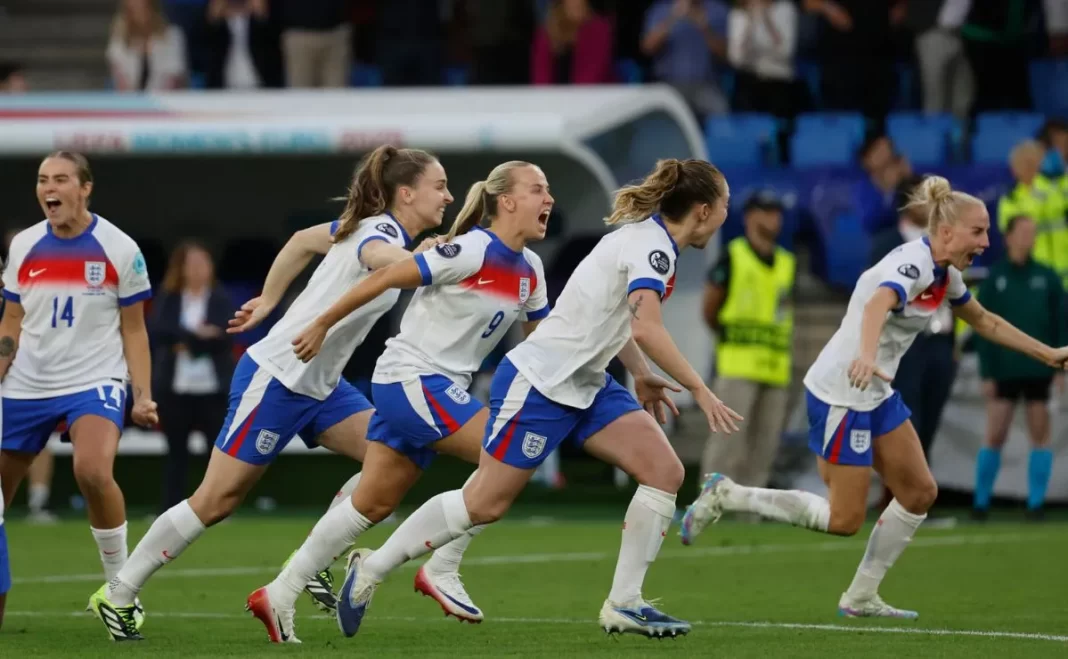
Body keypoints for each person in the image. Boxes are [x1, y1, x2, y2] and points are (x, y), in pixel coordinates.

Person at [334, 158, 742, 641]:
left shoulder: (646, 241)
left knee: (665, 472)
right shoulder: (652, 248)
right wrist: (698, 386)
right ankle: (373, 569)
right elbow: (645, 325)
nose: (725, 215)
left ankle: (625, 604)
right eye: (724, 206)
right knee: (484, 503)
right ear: (701, 210)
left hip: (589, 384)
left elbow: (614, 316)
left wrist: (641, 373)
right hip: (541, 385)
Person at [86, 145, 454, 641]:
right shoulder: (380, 232)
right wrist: (417, 258)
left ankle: (310, 563)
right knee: (216, 500)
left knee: (389, 464)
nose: (448, 196)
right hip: (278, 377)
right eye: (440, 186)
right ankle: (119, 592)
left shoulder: (359, 225)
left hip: (321, 386)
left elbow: (302, 241)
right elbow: (380, 257)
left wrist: (267, 300)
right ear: (406, 193)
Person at [681, 176, 1068, 619]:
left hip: (875, 391)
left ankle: (861, 596)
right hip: (840, 394)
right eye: (978, 231)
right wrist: (866, 356)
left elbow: (985, 321)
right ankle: (728, 494)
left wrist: (1048, 353)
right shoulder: (914, 263)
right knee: (845, 520)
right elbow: (878, 303)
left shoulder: (946, 273)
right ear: (946, 232)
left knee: (920, 492)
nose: (986, 240)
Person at [247, 161, 555, 643]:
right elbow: (383, 277)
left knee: (371, 502)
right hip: (413, 379)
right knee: (507, 456)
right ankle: (441, 567)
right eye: (538, 189)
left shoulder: (531, 270)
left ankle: (280, 592)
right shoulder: (471, 248)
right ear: (507, 201)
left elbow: (542, 345)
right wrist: (322, 323)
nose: (548, 199)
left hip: (432, 389)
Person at [0, 151, 157, 625]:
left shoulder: (119, 248)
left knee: (91, 470)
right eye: (43, 179)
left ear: (84, 188)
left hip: (93, 378)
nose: (50, 187)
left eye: (61, 179)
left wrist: (143, 394)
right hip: (27, 381)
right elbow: (12, 317)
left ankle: (120, 590)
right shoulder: (24, 246)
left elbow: (134, 328)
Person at [700, 190, 794, 490]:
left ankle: (749, 514)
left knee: (763, 450)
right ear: (750, 216)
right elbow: (710, 308)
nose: (774, 218)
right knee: (727, 446)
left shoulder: (786, 262)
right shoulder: (734, 255)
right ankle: (709, 502)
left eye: (777, 212)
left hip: (775, 368)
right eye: (767, 211)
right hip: (738, 366)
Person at [973, 216, 1064, 521]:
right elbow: (981, 328)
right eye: (1023, 232)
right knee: (994, 433)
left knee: (1040, 434)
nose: (1029, 238)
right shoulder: (995, 278)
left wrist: (1061, 366)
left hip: (1039, 368)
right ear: (1008, 237)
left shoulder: (1048, 277)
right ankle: (980, 503)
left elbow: (1060, 322)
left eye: (1032, 233)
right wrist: (987, 372)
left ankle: (1035, 504)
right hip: (1004, 369)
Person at [149, 241, 235, 512]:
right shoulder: (170, 298)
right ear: (182, 268)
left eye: (204, 263)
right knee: (176, 454)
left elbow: (224, 337)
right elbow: (159, 332)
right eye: (193, 263)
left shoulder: (220, 299)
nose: (199, 269)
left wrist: (187, 341)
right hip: (175, 389)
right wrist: (199, 336)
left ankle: (216, 506)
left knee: (215, 453)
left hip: (213, 389)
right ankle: (170, 510)